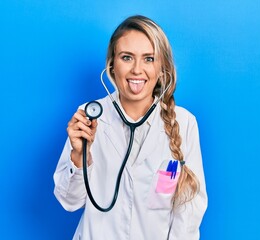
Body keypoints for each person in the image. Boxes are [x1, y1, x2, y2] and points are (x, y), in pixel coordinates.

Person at [53, 15, 207, 240]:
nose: (137, 69)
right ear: (112, 65)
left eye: (148, 59)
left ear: (162, 68)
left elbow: (189, 210)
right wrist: (79, 155)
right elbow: (69, 201)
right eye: (127, 57)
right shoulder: (88, 117)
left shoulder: (184, 123)